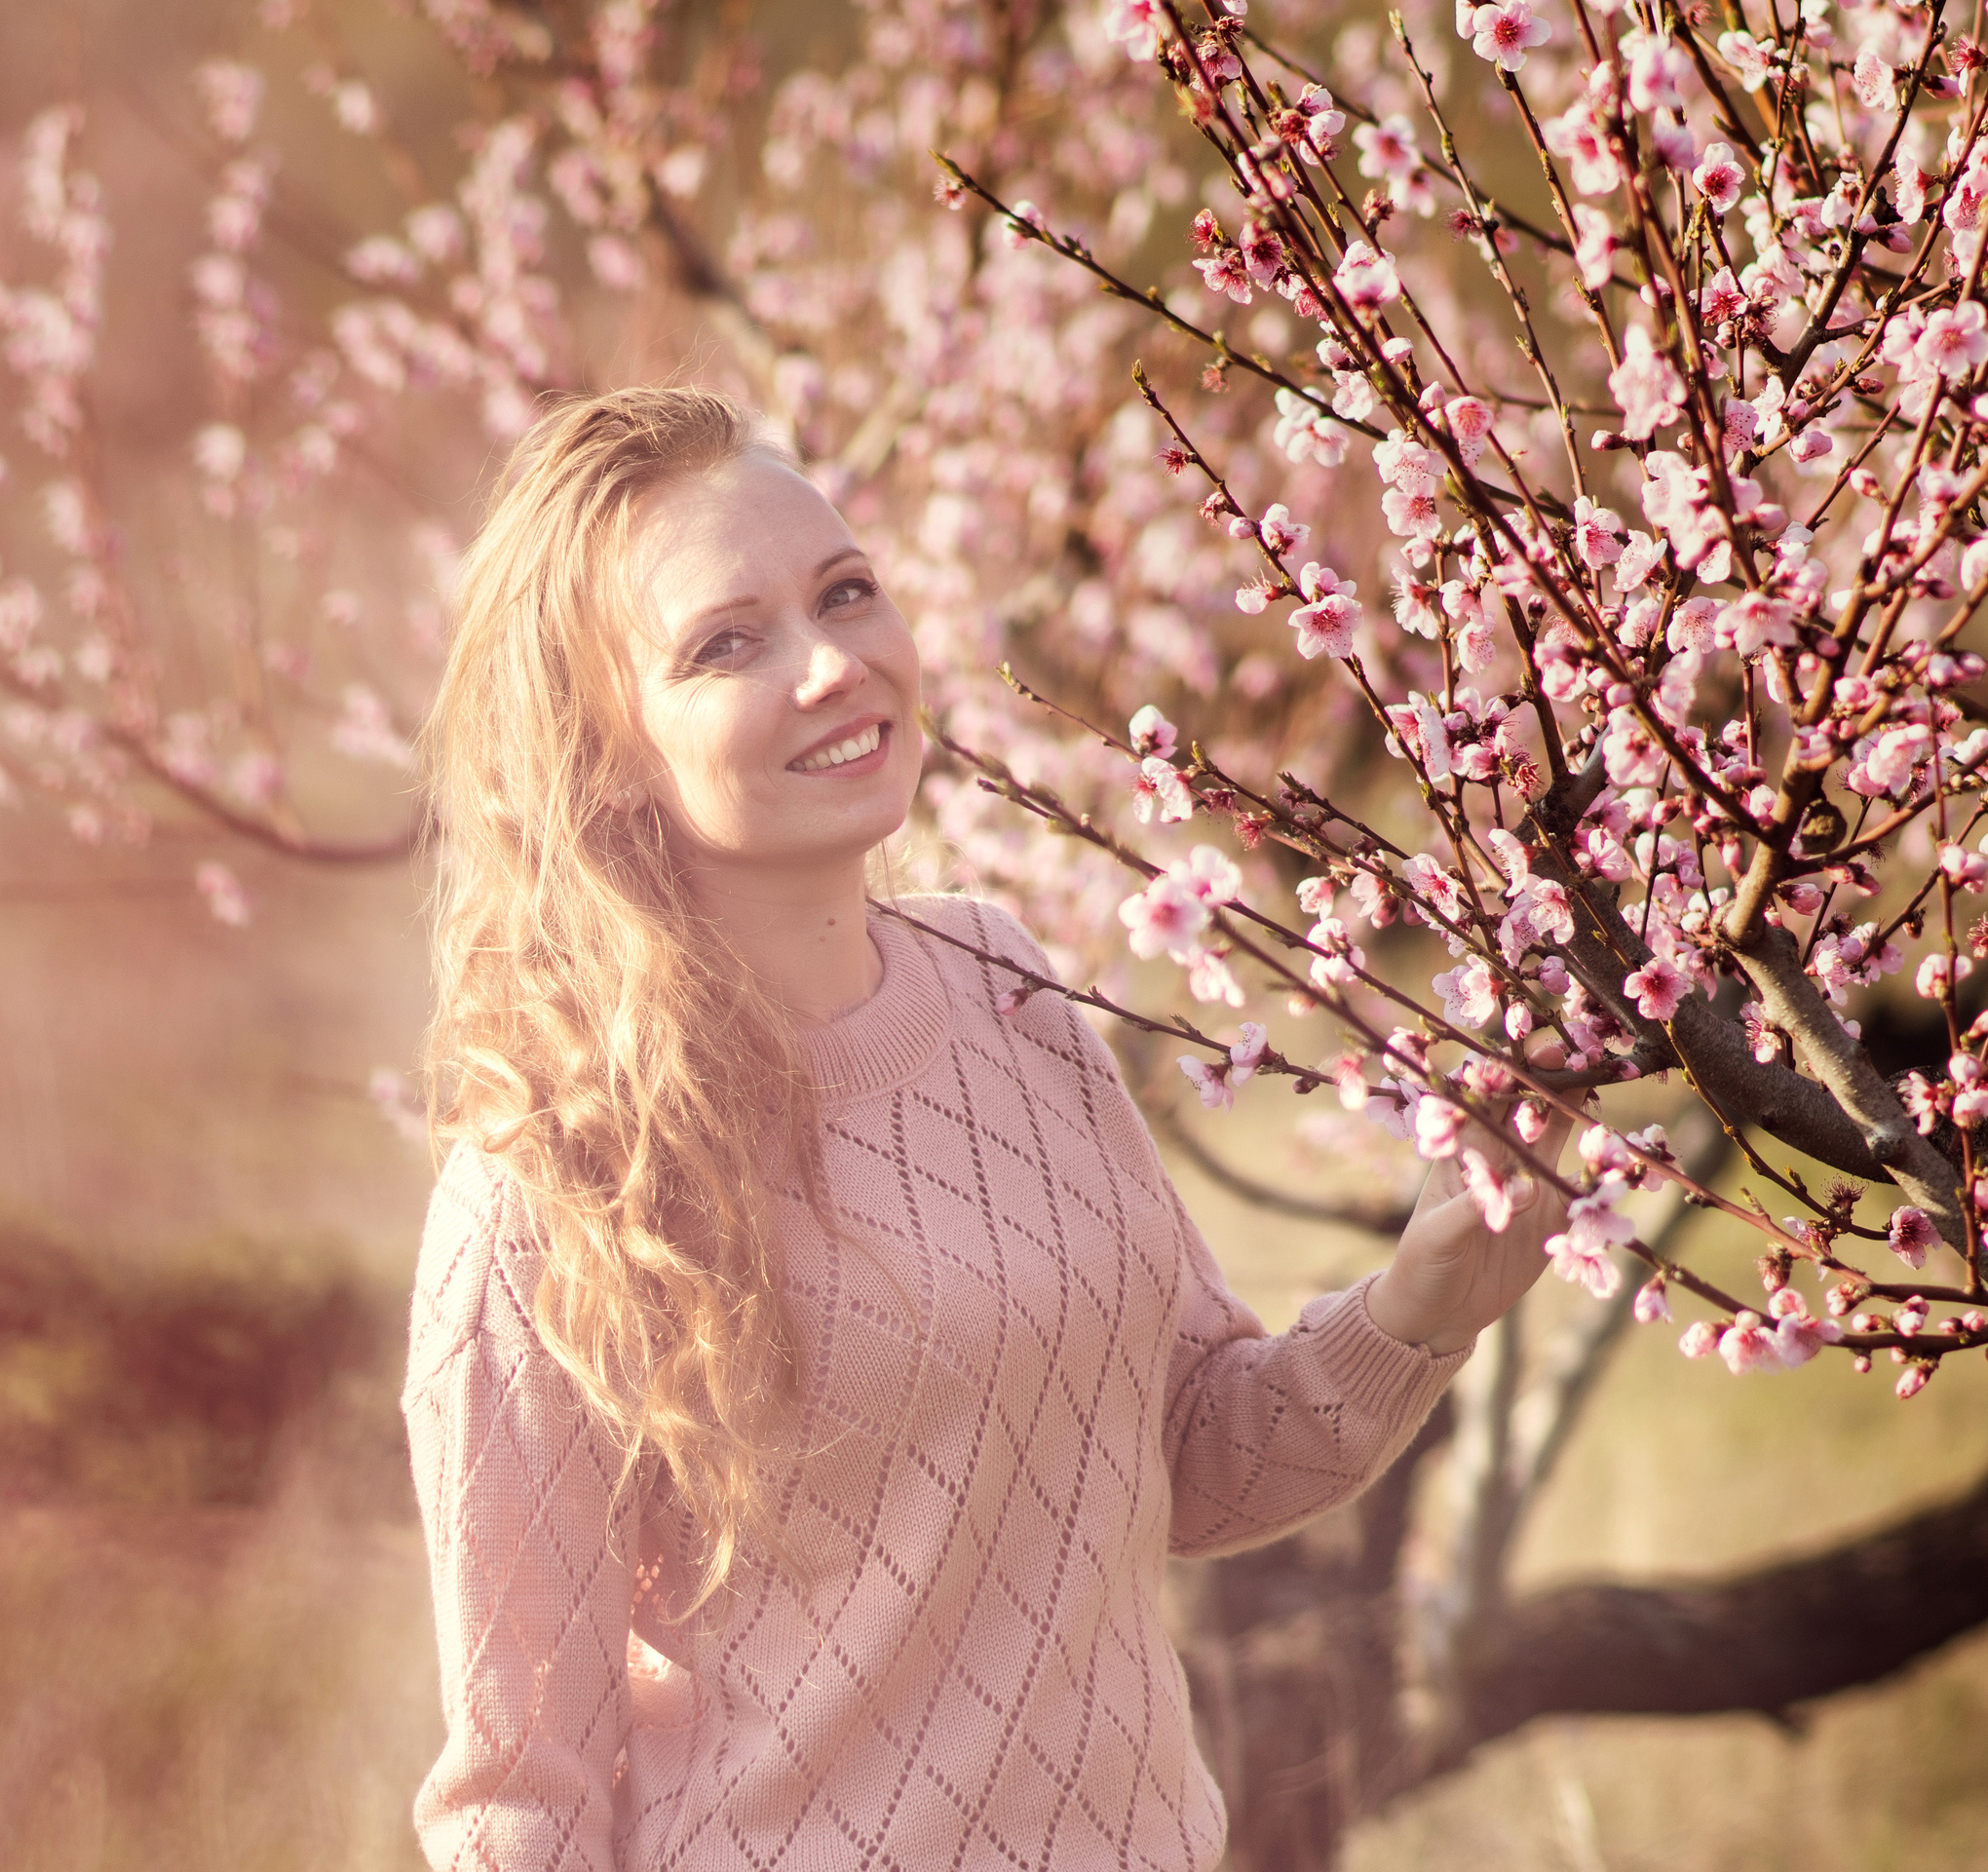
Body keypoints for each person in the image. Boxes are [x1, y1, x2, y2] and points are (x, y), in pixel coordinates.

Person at [404, 385, 1572, 1872]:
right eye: (727, 641)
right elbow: (520, 1804)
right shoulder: (552, 1178)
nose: (834, 663)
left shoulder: (1006, 985)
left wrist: (1423, 1305)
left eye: (847, 593)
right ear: (606, 750)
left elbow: (1185, 1458)